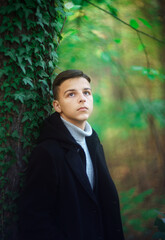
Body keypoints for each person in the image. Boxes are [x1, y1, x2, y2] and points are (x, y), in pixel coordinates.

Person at [18, 69, 125, 240]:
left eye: (86, 92)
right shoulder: (47, 152)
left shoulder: (94, 143)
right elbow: (35, 218)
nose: (82, 98)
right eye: (71, 94)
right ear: (57, 105)